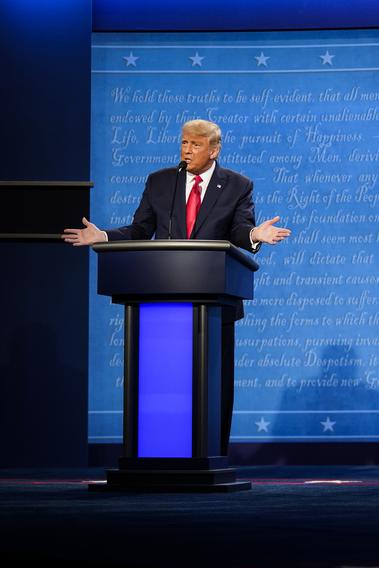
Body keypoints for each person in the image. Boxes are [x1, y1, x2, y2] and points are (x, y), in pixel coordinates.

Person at [63, 118, 291, 456]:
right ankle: (158, 452)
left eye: (196, 145)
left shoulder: (237, 185)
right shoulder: (160, 182)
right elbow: (141, 230)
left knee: (213, 382)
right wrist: (104, 236)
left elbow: (239, 229)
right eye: (184, 142)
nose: (186, 149)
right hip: (161, 298)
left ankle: (213, 453)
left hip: (214, 301)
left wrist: (255, 236)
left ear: (214, 150)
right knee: (163, 380)